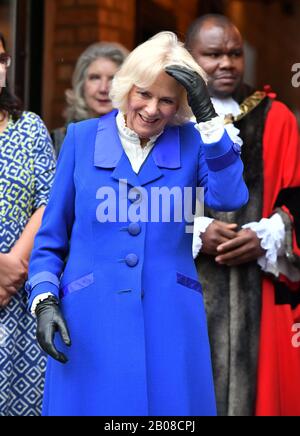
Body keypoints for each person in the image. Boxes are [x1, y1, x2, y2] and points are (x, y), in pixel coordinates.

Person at [26, 31, 248, 416]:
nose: (151, 109)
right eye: (143, 94)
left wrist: (209, 119)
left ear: (180, 105)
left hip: (170, 324)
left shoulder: (194, 143)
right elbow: (50, 240)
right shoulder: (80, 139)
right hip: (89, 322)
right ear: (126, 87)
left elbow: (229, 197)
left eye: (167, 100)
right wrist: (44, 300)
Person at [185, 14, 300, 416]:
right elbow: (138, 202)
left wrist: (270, 233)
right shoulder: (165, 116)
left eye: (234, 54)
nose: (227, 64)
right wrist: (193, 231)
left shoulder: (276, 118)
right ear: (189, 57)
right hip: (182, 287)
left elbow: (297, 197)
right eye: (213, 54)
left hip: (260, 288)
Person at [0, 32, 56, 416]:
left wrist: (13, 266)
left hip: (18, 299)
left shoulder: (29, 127)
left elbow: (49, 202)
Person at [51, 42, 128, 155]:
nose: (103, 88)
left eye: (113, 78)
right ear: (81, 85)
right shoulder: (59, 140)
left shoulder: (139, 141)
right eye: (95, 78)